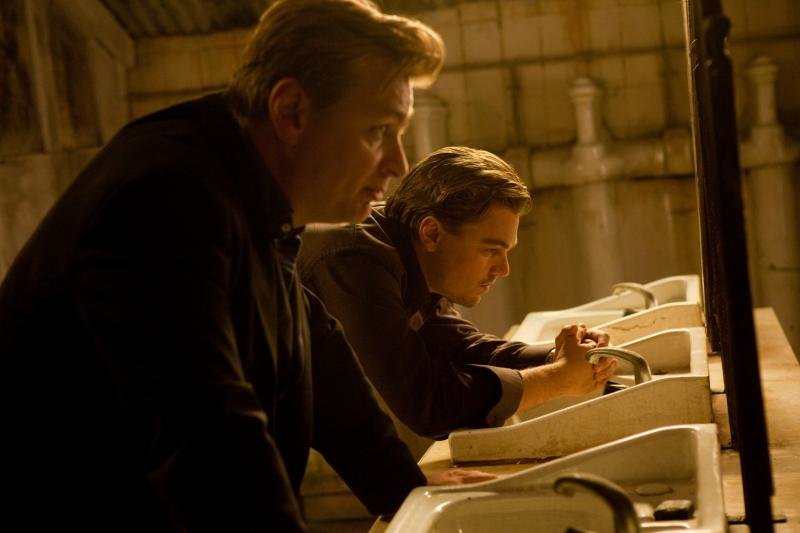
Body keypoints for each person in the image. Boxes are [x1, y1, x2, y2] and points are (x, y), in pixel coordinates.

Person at [0, 2, 493, 532]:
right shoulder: (167, 198)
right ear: (291, 111)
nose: (398, 163)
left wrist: (403, 489)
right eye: (378, 130)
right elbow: (210, 439)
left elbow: (320, 360)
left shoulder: (245, 196)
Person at [298, 146, 618, 452]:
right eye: (490, 250)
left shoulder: (405, 251)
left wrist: (558, 357)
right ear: (432, 233)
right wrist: (557, 378)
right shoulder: (354, 257)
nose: (503, 269)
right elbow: (428, 405)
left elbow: (461, 348)